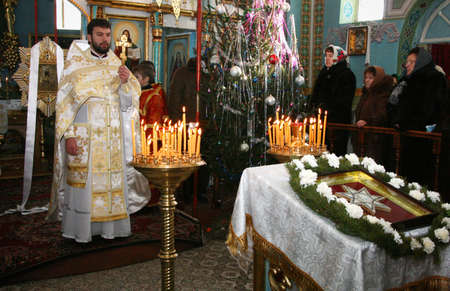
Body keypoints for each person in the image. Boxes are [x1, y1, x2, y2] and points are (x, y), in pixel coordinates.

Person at [48, 18, 142, 243]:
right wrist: (69, 135)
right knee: (84, 186)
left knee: (112, 186)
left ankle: (112, 230)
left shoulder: (116, 64)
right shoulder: (75, 67)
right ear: (89, 37)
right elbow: (64, 105)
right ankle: (82, 231)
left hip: (112, 141)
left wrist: (125, 83)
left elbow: (128, 105)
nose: (104, 39)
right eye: (99, 35)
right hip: (85, 137)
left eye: (107, 35)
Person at [388, 47, 448, 187]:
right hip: (405, 137)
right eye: (407, 61)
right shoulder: (405, 81)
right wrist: (396, 121)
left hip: (423, 141)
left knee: (420, 185)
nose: (407, 65)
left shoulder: (434, 79)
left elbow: (429, 110)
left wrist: (407, 123)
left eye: (411, 62)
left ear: (421, 62)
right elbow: (393, 105)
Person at [311, 45, 356, 156]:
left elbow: (344, 100)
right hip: (322, 120)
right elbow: (316, 94)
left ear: (338, 57)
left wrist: (329, 110)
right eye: (326, 56)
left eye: (330, 56)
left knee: (336, 154)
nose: (327, 58)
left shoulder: (346, 74)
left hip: (337, 122)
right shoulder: (324, 73)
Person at [354, 66, 393, 163]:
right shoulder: (366, 94)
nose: (367, 80)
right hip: (362, 138)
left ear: (378, 79)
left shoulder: (382, 94)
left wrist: (367, 121)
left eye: (370, 78)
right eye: (366, 78)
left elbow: (382, 115)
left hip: (375, 140)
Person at [132, 62, 168, 136]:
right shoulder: (134, 93)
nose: (133, 80)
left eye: (137, 77)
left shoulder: (154, 96)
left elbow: (154, 122)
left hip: (145, 136)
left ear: (146, 79)